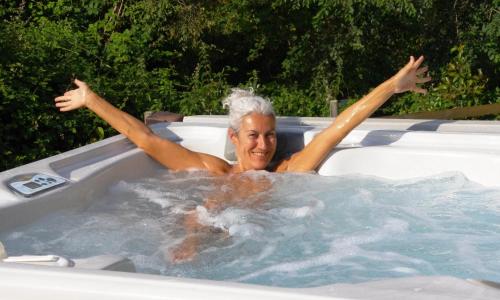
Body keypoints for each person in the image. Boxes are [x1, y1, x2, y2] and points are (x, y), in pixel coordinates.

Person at [55, 55, 431, 261]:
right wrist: (91, 100)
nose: (264, 145)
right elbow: (145, 137)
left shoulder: (289, 171)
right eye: (254, 136)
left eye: (270, 136)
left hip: (257, 245)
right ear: (234, 137)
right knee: (199, 213)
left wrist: (392, 87)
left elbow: (339, 128)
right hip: (201, 234)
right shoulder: (211, 169)